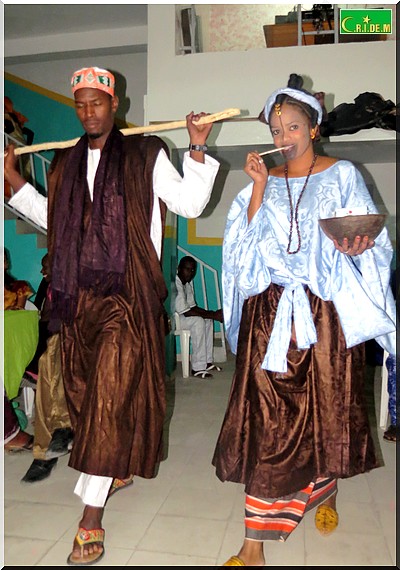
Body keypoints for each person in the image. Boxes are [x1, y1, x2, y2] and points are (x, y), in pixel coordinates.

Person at [4, 65, 219, 566]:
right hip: (78, 301)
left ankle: (90, 519)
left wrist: (197, 146)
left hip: (128, 297)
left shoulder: (146, 154)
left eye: (96, 102)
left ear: (115, 103)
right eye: (79, 104)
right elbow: (52, 220)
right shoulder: (64, 164)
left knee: (108, 395)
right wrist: (11, 177)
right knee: (89, 398)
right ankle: (113, 465)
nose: (87, 112)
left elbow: (189, 203)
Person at [211, 73, 396, 567]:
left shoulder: (343, 174)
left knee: (326, 412)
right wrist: (257, 188)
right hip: (270, 314)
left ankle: (326, 494)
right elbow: (242, 250)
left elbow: (371, 242)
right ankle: (253, 545)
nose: (284, 137)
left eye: (293, 127)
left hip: (324, 314)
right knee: (267, 420)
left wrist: (358, 247)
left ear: (313, 128)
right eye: (276, 130)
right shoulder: (264, 180)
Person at [21, 253, 73, 484]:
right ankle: (44, 453)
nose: (43, 272)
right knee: (45, 383)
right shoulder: (49, 284)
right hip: (52, 341)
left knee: (58, 372)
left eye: (47, 267)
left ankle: (64, 430)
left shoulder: (74, 284)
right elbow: (45, 320)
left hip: (76, 343)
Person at [175, 255, 224, 378]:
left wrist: (212, 314)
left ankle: (206, 362)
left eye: (193, 270)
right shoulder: (176, 284)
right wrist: (214, 315)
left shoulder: (187, 284)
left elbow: (193, 307)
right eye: (187, 269)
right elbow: (186, 312)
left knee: (208, 321)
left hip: (183, 316)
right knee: (198, 322)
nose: (190, 273)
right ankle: (197, 367)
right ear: (179, 268)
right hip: (174, 319)